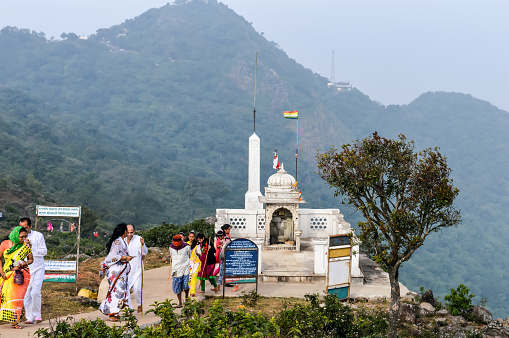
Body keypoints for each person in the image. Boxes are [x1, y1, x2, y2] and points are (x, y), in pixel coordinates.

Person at [0, 226, 34, 329]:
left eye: (25, 237)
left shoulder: (25, 246)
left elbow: (31, 259)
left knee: (17, 298)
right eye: (21, 237)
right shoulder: (5, 244)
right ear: (15, 235)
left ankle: (15, 321)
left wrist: (24, 263)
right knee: (5, 297)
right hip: (6, 274)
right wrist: (1, 273)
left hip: (19, 275)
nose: (23, 239)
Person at [99, 223, 133, 322]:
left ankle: (115, 312)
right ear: (125, 231)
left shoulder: (122, 242)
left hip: (120, 273)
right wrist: (124, 258)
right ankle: (112, 313)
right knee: (116, 292)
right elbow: (111, 257)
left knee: (121, 292)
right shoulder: (117, 242)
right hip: (116, 273)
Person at [20, 217, 47, 324]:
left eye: (25, 227)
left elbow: (44, 251)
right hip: (26, 268)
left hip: (38, 267)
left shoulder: (38, 236)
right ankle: (29, 317)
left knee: (35, 292)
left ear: (30, 226)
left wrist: (31, 247)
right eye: (21, 227)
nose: (23, 230)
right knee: (26, 293)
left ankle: (37, 315)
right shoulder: (18, 238)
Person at [126, 224, 148, 313]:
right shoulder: (122, 240)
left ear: (134, 232)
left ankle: (139, 304)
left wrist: (143, 244)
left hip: (137, 270)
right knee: (126, 291)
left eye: (131, 232)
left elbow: (144, 253)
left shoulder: (138, 239)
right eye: (128, 232)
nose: (130, 234)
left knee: (137, 289)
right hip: (126, 271)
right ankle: (129, 311)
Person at [169, 235, 191, 308]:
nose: (177, 246)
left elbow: (189, 255)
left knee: (185, 285)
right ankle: (180, 302)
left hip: (185, 267)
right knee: (177, 287)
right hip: (176, 268)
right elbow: (172, 256)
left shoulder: (186, 247)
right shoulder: (171, 247)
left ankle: (187, 298)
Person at [187, 231, 200, 297]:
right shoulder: (186, 244)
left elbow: (200, 254)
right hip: (188, 263)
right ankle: (189, 289)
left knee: (194, 276)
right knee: (189, 277)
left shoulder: (197, 245)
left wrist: (197, 253)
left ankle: (193, 291)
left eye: (192, 237)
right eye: (190, 237)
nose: (191, 238)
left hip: (196, 263)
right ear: (188, 237)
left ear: (194, 237)